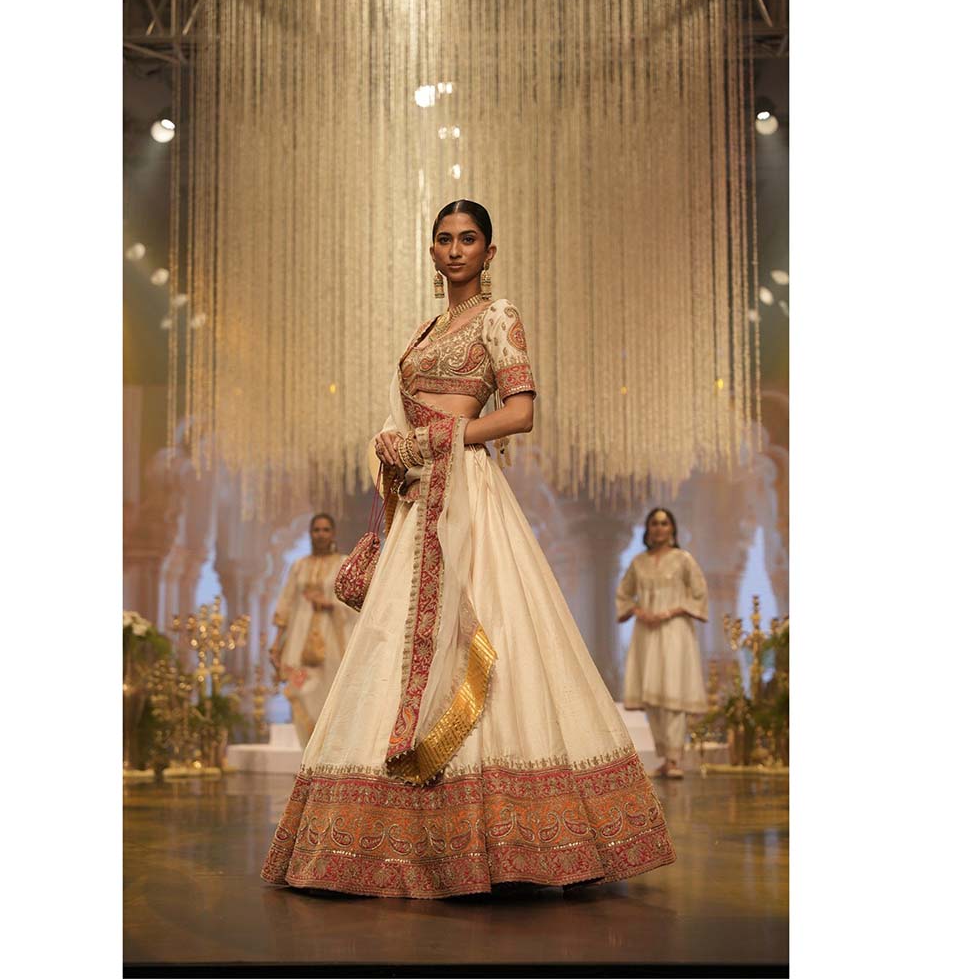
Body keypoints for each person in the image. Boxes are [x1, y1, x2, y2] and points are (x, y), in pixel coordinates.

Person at [262, 200, 676, 898]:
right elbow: (405, 417)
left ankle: (519, 843)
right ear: (432, 252)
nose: (455, 250)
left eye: (469, 239)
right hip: (419, 498)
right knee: (396, 647)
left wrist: (439, 438)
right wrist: (395, 449)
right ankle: (385, 845)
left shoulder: (497, 316)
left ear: (489, 251)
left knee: (498, 628)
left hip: (471, 498)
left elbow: (521, 413)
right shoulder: (424, 331)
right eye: (444, 240)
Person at [616, 508, 709, 780]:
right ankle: (664, 758)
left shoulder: (683, 560)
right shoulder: (638, 563)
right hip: (647, 632)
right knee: (653, 696)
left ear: (672, 529)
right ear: (647, 529)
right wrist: (637, 610)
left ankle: (674, 757)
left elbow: (699, 594)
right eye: (654, 523)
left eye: (664, 523)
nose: (659, 528)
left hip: (675, 631)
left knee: (673, 692)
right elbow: (623, 594)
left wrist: (673, 610)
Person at [269, 513, 357, 745]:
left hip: (334, 642)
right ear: (310, 534)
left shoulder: (344, 564)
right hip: (299, 643)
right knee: (301, 691)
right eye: (316, 530)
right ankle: (307, 755)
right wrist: (277, 643)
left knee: (331, 695)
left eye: (326, 530)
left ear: (333, 534)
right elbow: (286, 603)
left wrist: (330, 604)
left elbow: (356, 603)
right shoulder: (299, 566)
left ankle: (329, 754)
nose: (321, 534)